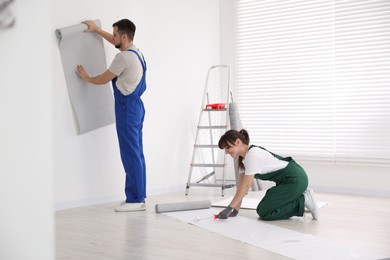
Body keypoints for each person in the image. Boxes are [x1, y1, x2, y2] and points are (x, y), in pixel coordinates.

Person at [76, 19, 147, 212]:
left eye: (115, 34)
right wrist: (98, 30)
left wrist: (87, 78)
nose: (113, 37)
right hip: (137, 107)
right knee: (136, 153)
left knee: (130, 154)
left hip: (126, 109)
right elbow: (116, 43)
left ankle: (135, 200)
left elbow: (103, 78)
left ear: (124, 36)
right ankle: (138, 197)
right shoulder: (136, 53)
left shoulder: (123, 58)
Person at [217, 129, 319, 220]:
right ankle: (300, 199)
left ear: (238, 142)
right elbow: (240, 188)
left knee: (264, 212)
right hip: (285, 182)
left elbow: (246, 187)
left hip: (295, 180)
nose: (226, 152)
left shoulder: (253, 155)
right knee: (263, 209)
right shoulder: (242, 160)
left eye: (227, 147)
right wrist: (235, 210)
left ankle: (304, 199)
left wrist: (229, 208)